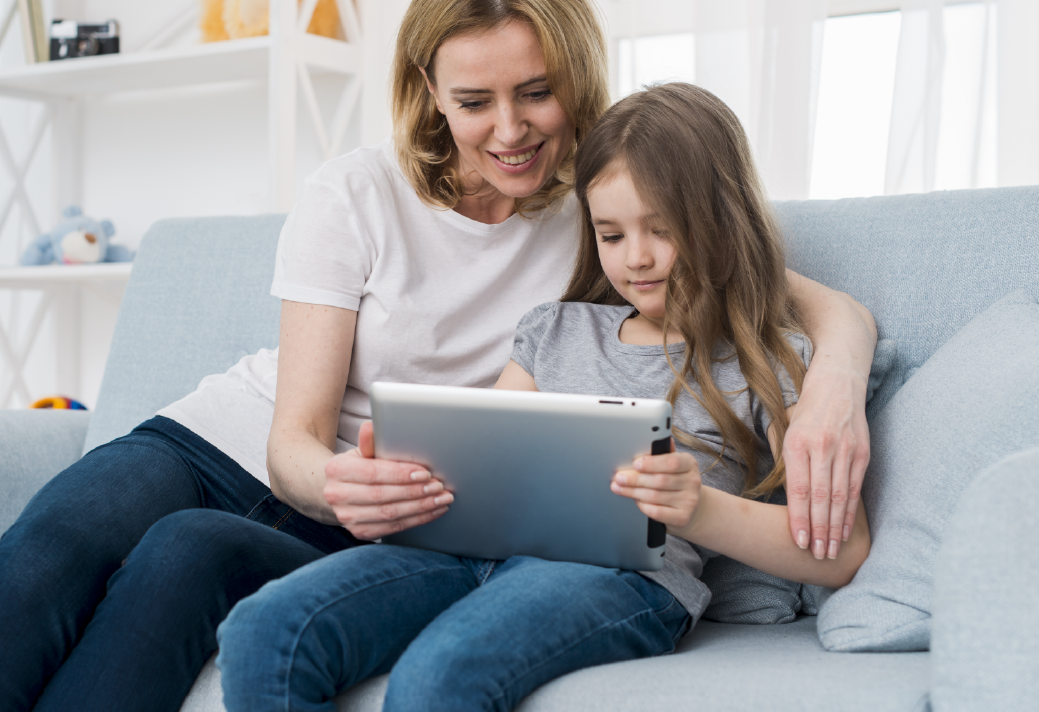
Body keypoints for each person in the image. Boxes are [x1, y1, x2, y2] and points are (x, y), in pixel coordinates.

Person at [0, 0, 874, 712]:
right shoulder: (359, 187)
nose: (510, 129)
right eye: (473, 100)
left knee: (184, 555)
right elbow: (294, 437)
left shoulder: (606, 200)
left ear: (574, 78)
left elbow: (747, 273)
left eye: (536, 92)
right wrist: (339, 482)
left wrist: (834, 374)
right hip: (279, 451)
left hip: (404, 501)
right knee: (49, 542)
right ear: (429, 96)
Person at [216, 82, 873, 712]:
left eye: (662, 230)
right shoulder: (553, 330)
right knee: (263, 632)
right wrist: (413, 476)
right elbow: (492, 457)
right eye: (611, 236)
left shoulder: (768, 363)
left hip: (621, 579)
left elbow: (842, 555)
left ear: (721, 221)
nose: (635, 259)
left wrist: (697, 511)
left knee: (444, 671)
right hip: (464, 555)